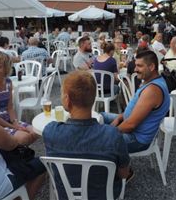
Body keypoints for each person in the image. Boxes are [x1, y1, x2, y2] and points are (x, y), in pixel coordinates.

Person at [43, 71, 130, 199]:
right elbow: (124, 174)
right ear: (93, 98)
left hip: (66, 195)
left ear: (67, 100)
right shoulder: (112, 135)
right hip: (105, 195)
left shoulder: (50, 132)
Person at [101, 50, 170, 153]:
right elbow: (135, 110)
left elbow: (130, 125)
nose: (135, 69)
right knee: (100, 116)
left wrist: (107, 133)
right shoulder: (151, 81)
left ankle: (114, 165)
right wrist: (120, 117)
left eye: (139, 66)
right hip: (128, 123)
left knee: (97, 142)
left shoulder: (152, 90)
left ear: (151, 67)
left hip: (136, 138)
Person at [0, 52, 37, 145]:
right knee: (24, 138)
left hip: (6, 118)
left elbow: (10, 107)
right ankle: (12, 151)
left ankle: (16, 151)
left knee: (36, 132)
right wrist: (14, 127)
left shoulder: (8, 82)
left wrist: (15, 122)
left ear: (6, 68)